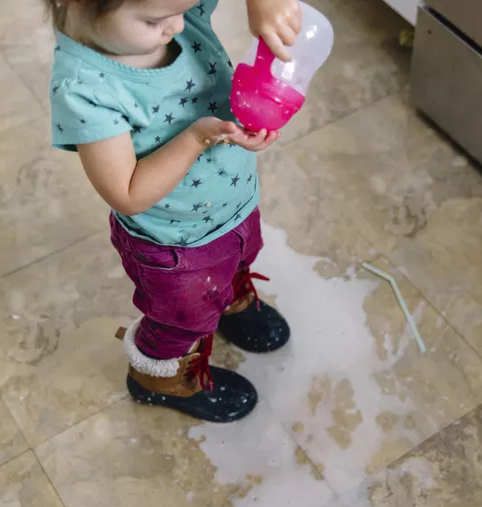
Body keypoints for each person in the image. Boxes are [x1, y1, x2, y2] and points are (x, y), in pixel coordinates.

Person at [44, 0, 300, 422]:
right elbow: (127, 192)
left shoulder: (169, 9)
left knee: (239, 257)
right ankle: (157, 381)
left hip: (232, 205)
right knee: (180, 321)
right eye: (155, 21)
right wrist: (196, 138)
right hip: (175, 248)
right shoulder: (86, 89)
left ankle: (230, 302)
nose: (180, 25)